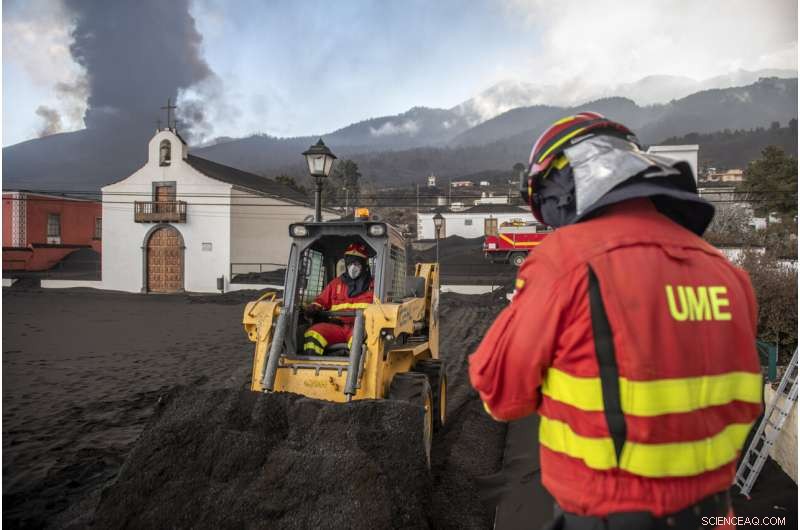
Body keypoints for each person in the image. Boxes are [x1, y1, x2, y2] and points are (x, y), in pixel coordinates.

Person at [469, 112, 762, 530]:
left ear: (564, 182)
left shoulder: (568, 261)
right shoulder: (726, 274)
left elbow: (501, 394)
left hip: (612, 516)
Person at [303, 242, 374, 355]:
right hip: (337, 327)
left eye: (356, 263)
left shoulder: (374, 286)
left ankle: (357, 371)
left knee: (358, 341)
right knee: (313, 333)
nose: (353, 267)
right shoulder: (336, 284)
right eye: (350, 263)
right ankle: (311, 369)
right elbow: (321, 301)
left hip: (361, 328)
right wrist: (313, 307)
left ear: (364, 265)